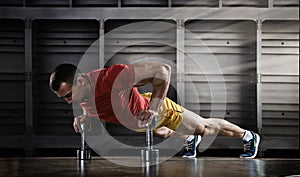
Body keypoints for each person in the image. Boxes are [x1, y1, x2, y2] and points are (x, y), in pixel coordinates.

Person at [49, 62, 260, 158]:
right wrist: (84, 118)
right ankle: (188, 141)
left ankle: (248, 136)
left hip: (154, 111)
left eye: (68, 96)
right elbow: (92, 106)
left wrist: (154, 109)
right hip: (138, 123)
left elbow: (162, 70)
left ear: (80, 81)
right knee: (163, 132)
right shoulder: (81, 93)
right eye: (64, 98)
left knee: (203, 128)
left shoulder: (111, 78)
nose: (68, 102)